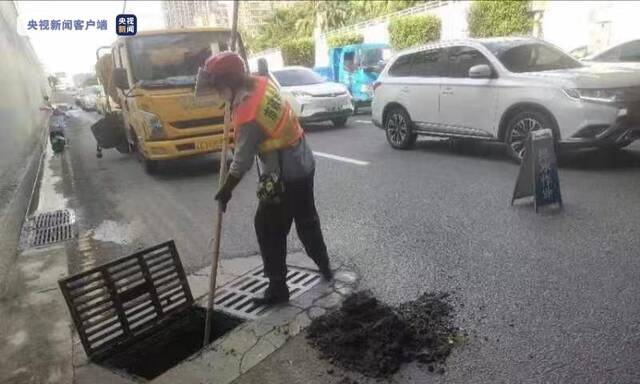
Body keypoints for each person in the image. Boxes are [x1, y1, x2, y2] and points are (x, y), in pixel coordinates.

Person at [196, 52, 332, 305]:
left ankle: (278, 288)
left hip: (284, 173)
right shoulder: (261, 83)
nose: (217, 92)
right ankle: (325, 266)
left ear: (229, 82)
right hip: (303, 159)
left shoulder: (248, 114)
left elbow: (242, 161)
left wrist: (226, 189)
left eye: (217, 86)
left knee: (267, 227)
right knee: (306, 219)